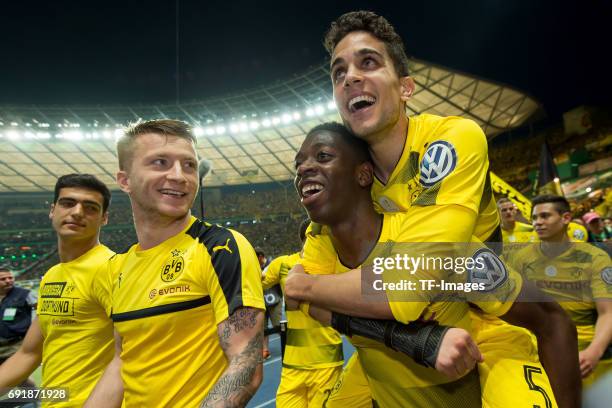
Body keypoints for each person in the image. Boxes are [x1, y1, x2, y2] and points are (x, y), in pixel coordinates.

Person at [287, 11, 580, 408]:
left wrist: (306, 287)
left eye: (368, 62)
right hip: (404, 332)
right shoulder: (349, 186)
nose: (350, 77)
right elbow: (324, 308)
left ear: (406, 87)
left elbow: (407, 288)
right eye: (339, 73)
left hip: (485, 303)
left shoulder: (451, 139)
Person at [86, 119, 265, 408]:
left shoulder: (220, 247)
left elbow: (246, 363)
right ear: (124, 180)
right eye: (160, 162)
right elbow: (122, 362)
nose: (180, 176)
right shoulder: (117, 268)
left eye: (189, 165)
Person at [0, 174, 114, 408]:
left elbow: (134, 355)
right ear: (53, 210)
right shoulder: (52, 276)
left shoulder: (112, 269)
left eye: (90, 207)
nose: (78, 212)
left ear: (104, 219)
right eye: (68, 203)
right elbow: (29, 353)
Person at [511, 195, 612, 388]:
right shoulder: (520, 258)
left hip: (587, 356)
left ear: (566, 218)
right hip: (540, 355)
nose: (538, 223)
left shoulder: (595, 257)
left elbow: (608, 312)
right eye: (534, 218)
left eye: (545, 216)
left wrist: (593, 353)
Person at [262, 219, 344, 407]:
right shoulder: (282, 264)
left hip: (326, 364)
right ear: (307, 238)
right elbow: (253, 283)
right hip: (292, 365)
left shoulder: (338, 265)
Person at [259, 249, 281, 360]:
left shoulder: (272, 265)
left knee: (278, 325)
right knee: (263, 329)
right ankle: (265, 351)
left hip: (274, 301)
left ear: (261, 256)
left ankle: (288, 346)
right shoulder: (254, 267)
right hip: (262, 303)